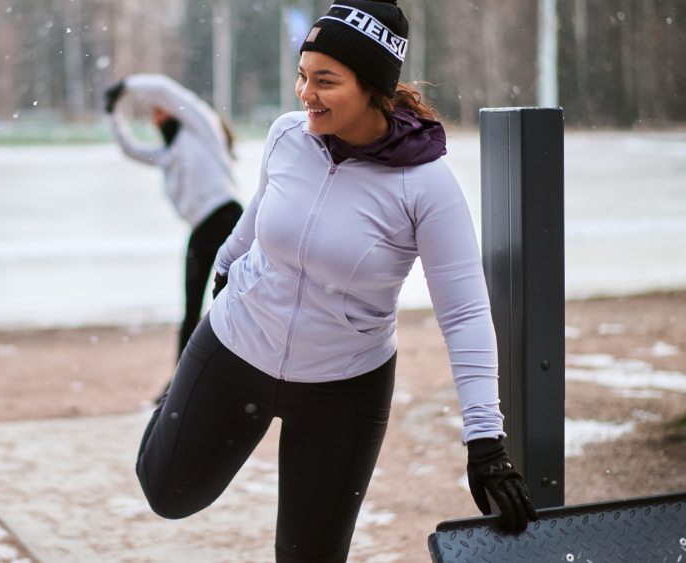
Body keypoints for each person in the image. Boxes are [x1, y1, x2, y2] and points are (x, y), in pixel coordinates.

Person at [135, 1, 538, 561]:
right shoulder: (286, 137)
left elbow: (466, 313)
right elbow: (256, 218)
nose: (306, 94)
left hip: (343, 384)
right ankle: (174, 417)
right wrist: (225, 273)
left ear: (373, 86)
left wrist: (485, 440)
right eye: (303, 75)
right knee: (167, 493)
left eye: (326, 81)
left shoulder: (425, 185)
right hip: (238, 344)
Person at [104, 74, 243, 375]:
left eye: (161, 110)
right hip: (200, 231)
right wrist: (114, 113)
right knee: (190, 310)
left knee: (238, 305)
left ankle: (241, 375)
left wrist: (127, 86)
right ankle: (182, 380)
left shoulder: (202, 128)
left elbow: (163, 89)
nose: (157, 117)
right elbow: (129, 149)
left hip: (228, 222)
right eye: (153, 114)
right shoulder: (166, 154)